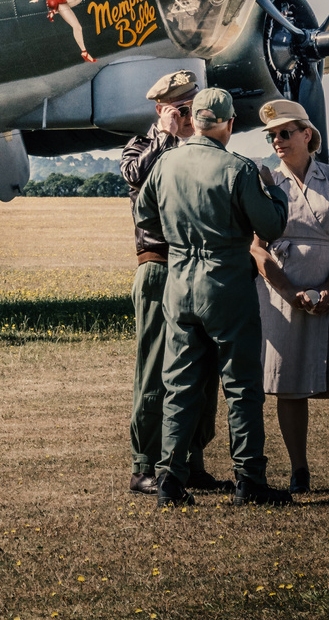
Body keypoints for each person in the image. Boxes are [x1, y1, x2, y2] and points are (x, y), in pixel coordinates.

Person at [135, 87, 293, 506]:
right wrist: (272, 189)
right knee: (241, 386)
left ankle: (169, 478)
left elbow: (145, 215)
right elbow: (273, 225)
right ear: (228, 124)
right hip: (226, 283)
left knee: (180, 385)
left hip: (179, 283)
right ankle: (249, 480)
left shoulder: (167, 162)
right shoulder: (239, 169)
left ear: (196, 118)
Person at [250, 99, 329, 493]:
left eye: (285, 133)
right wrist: (289, 293)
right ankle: (299, 471)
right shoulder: (267, 181)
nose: (278, 141)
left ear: (308, 135)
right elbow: (256, 247)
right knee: (289, 385)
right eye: (272, 136)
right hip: (282, 292)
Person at [119, 70, 225, 495]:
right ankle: (145, 463)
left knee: (201, 368)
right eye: (182, 109)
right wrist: (164, 137)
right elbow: (134, 178)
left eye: (193, 107)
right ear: (162, 110)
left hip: (197, 266)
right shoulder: (142, 146)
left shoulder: (200, 150)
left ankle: (190, 459)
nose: (190, 115)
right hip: (160, 266)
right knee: (156, 368)